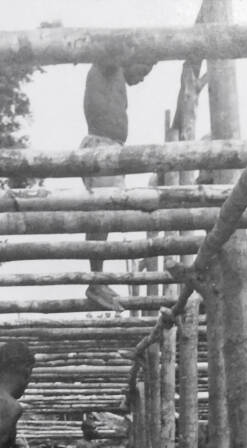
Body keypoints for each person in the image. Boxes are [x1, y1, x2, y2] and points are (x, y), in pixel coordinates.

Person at [80, 59, 154, 312]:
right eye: (143, 69)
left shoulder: (117, 75)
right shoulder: (109, 66)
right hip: (101, 148)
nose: (143, 77)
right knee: (100, 216)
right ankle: (95, 281)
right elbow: (110, 51)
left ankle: (98, 279)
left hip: (111, 150)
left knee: (108, 218)